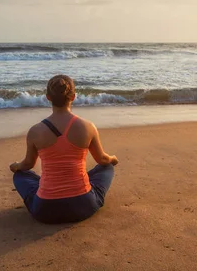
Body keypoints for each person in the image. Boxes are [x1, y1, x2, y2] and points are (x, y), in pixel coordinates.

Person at [10, 75, 119, 224]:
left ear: (48, 97)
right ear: (73, 97)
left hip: (45, 210)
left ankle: (50, 188)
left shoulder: (35, 131)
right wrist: (113, 159)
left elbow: (27, 165)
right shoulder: (88, 127)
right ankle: (76, 185)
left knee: (20, 175)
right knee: (107, 168)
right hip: (84, 205)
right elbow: (103, 159)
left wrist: (16, 166)